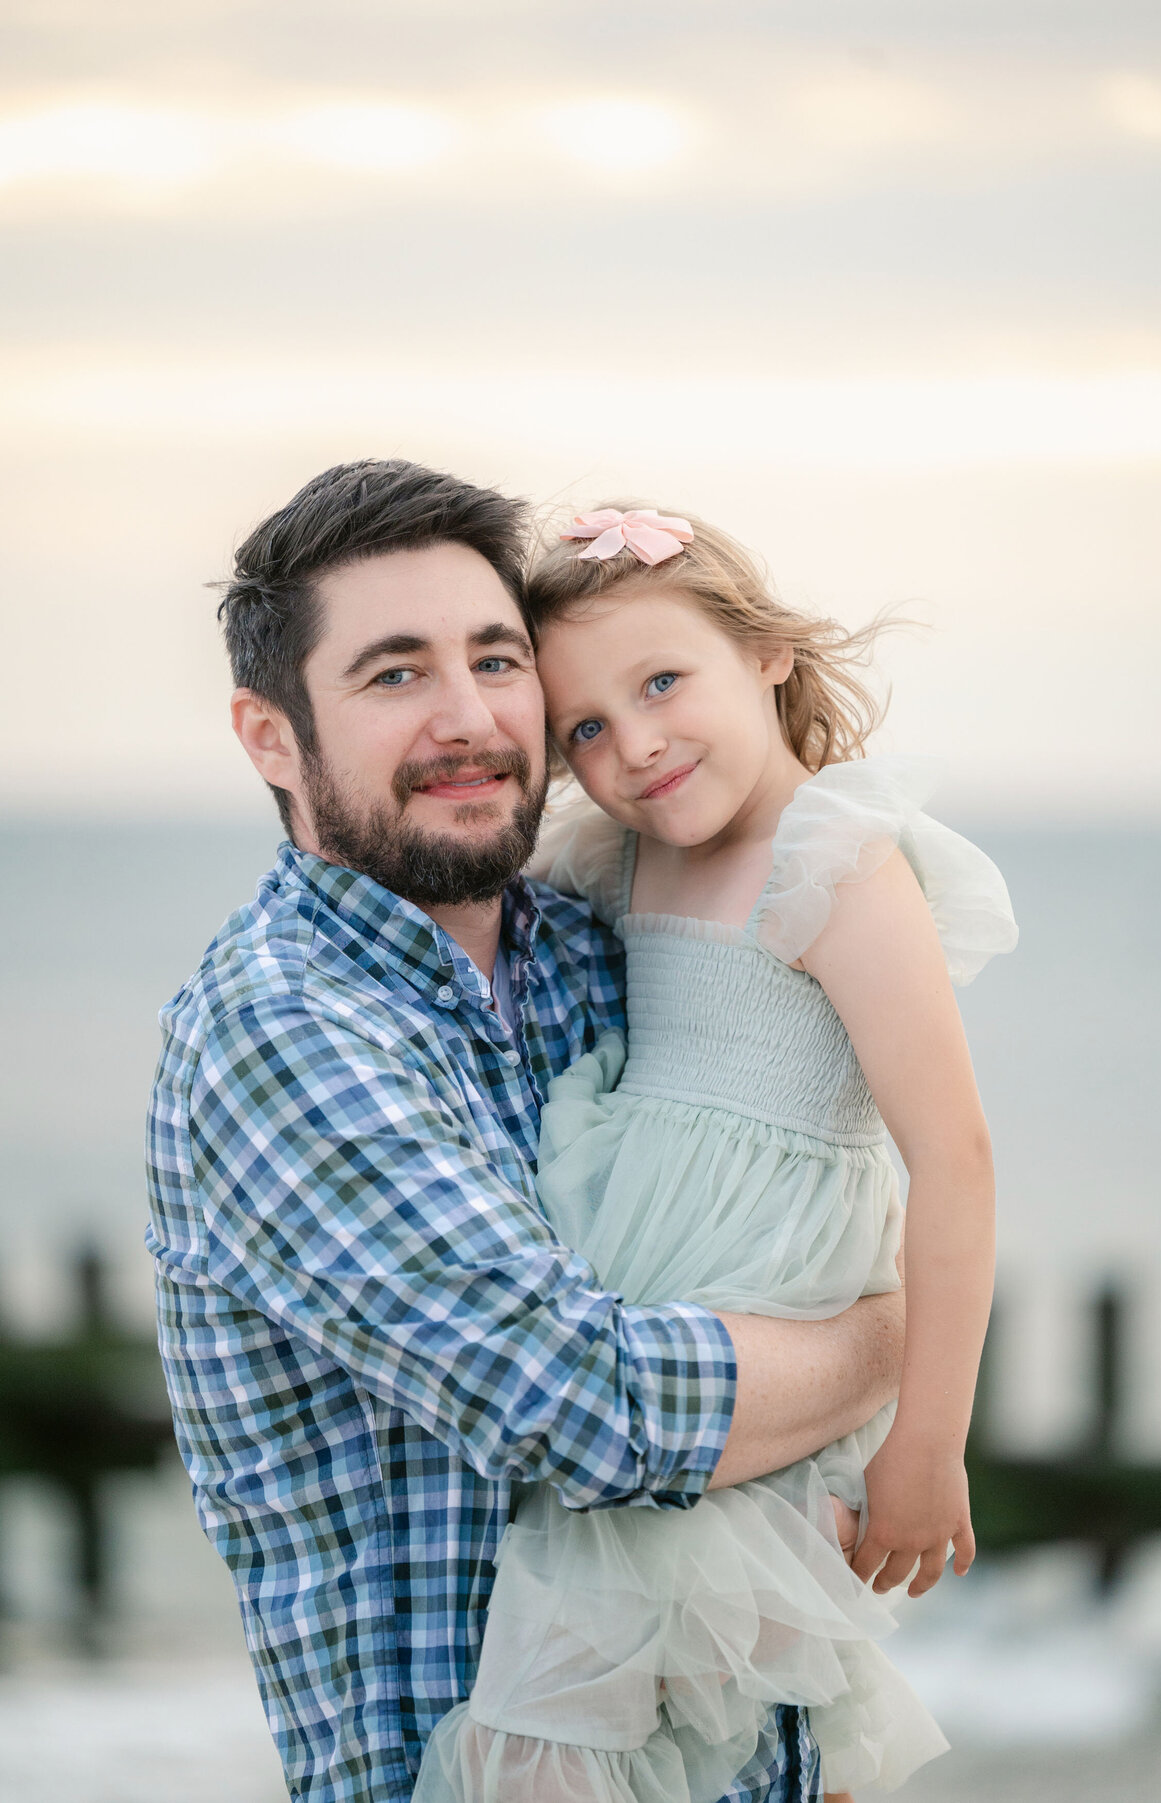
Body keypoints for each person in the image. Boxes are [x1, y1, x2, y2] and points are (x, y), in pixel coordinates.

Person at [145, 460, 908, 1803]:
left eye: (497, 660)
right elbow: (593, 1412)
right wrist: (896, 1338)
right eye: (394, 675)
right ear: (271, 737)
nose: (472, 719)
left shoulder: (589, 942)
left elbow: (774, 1214)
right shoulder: (284, 1033)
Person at [412, 504, 1018, 1803]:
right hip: (650, 1368)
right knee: (676, 1743)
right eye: (584, 727)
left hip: (774, 1356)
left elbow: (955, 1156)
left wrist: (931, 1439)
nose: (634, 745)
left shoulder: (839, 863)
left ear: (768, 654)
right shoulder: (620, 860)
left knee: (688, 1727)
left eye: (664, 682)